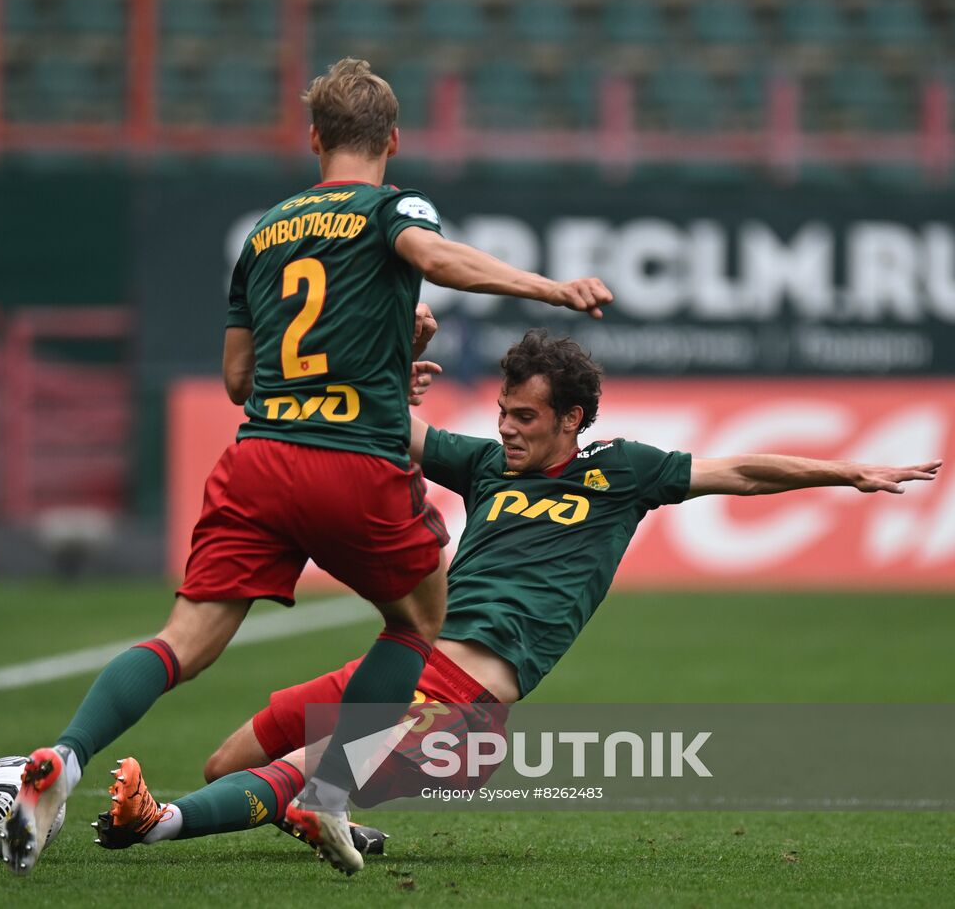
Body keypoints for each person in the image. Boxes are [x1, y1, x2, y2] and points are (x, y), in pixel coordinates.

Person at [1, 58, 614, 878]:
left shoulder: (264, 232)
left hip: (256, 458)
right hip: (350, 460)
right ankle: (329, 791)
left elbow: (238, 379)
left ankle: (66, 756)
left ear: (315, 137)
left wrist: (382, 357)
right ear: (393, 140)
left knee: (183, 639)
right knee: (418, 623)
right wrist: (547, 289)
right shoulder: (393, 207)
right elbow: (436, 258)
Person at [92, 328, 941, 855]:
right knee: (229, 760)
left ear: (572, 419)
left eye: (525, 416)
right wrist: (390, 382)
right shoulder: (487, 464)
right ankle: (327, 814)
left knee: (300, 771)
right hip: (402, 670)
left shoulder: (623, 472)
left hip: (463, 713)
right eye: (503, 410)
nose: (506, 427)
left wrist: (848, 473)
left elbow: (744, 471)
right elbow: (390, 430)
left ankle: (156, 823)